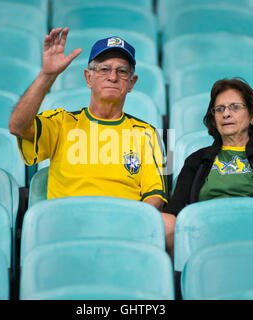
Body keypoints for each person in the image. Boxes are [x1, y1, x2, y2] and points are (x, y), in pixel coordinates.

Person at [9, 28, 175, 255]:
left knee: (171, 226)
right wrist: (47, 75)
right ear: (89, 77)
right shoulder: (61, 122)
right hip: (68, 222)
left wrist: (122, 225)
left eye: (122, 71)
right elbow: (16, 127)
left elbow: (155, 196)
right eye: (104, 69)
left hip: (124, 224)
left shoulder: (150, 133)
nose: (113, 76)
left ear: (132, 82)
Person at [164, 78, 253, 215]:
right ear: (213, 119)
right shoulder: (197, 159)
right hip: (204, 228)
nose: (226, 114)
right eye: (219, 109)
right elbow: (175, 208)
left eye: (235, 107)